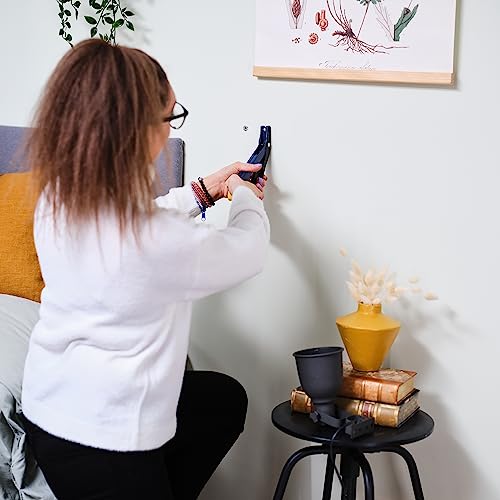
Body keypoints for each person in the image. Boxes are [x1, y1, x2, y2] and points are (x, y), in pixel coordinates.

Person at [20, 39, 270, 500]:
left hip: (47, 411)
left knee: (220, 401)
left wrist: (205, 190)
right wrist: (245, 197)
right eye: (171, 116)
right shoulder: (155, 241)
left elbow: (141, 222)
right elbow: (248, 250)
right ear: (137, 130)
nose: (171, 126)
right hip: (105, 441)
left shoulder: (60, 196)